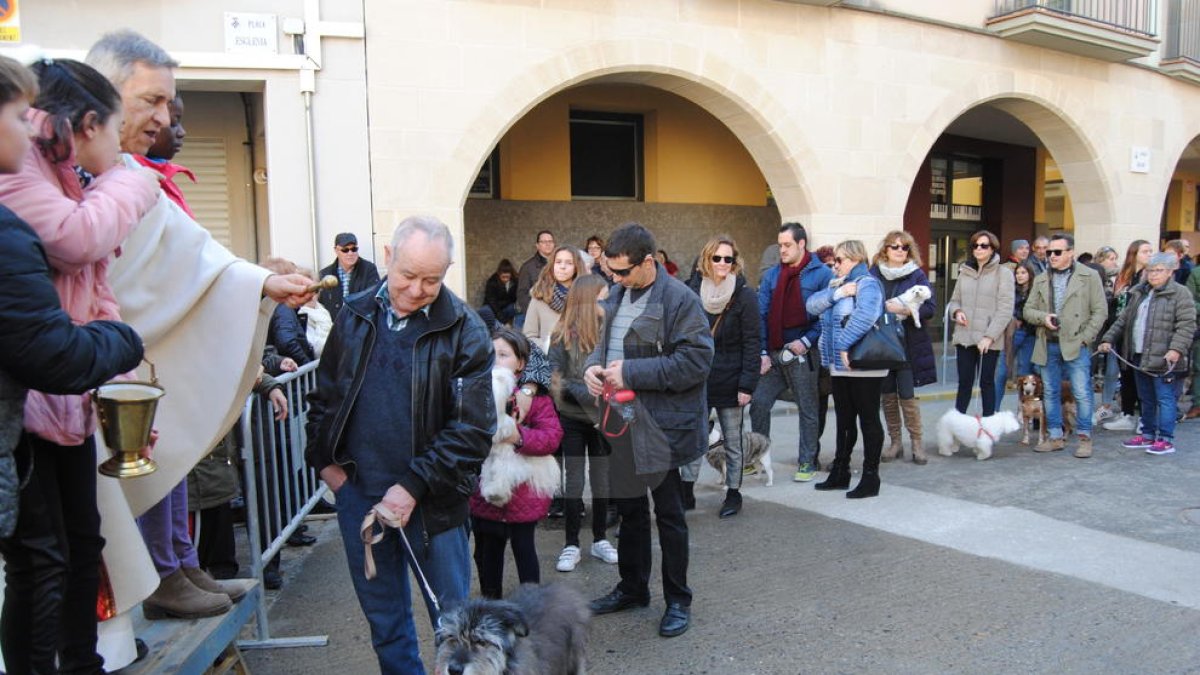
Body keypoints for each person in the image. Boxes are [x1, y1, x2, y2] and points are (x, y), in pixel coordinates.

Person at [83, 30, 314, 671]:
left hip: (108, 366)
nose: (163, 119)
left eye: (171, 104)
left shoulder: (133, 178)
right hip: (62, 382)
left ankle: (150, 596)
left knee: (142, 490)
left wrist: (260, 283)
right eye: (152, 100)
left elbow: (195, 258)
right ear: (101, 96)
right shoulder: (58, 176)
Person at [0, 54, 146, 675]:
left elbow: (92, 281)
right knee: (41, 561)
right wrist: (133, 179)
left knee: (79, 546)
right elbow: (77, 240)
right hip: (33, 402)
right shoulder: (19, 183)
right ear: (87, 124)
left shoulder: (58, 176)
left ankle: (81, 664)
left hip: (61, 402)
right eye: (13, 113)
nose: (25, 124)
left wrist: (115, 376)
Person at [305, 216, 493, 673]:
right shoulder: (355, 311)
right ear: (388, 257)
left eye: (432, 279)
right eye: (407, 275)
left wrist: (411, 486)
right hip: (360, 494)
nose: (416, 289)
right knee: (385, 624)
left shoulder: (465, 330)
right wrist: (324, 463)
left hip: (435, 506)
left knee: (454, 632)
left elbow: (472, 431)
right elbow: (325, 393)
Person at [129, 88, 248, 621]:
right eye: (167, 118)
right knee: (153, 458)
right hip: (138, 345)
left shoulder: (157, 187)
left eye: (176, 118)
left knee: (173, 459)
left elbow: (199, 262)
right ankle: (161, 570)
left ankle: (181, 559)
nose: (176, 130)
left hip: (159, 346)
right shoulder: (129, 186)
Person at [584, 222, 712, 639]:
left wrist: (631, 373)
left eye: (621, 272)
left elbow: (696, 362)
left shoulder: (681, 300)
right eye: (610, 271)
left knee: (670, 517)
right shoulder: (619, 293)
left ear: (649, 262)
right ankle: (633, 588)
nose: (614, 280)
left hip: (661, 429)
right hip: (621, 425)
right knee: (631, 513)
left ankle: (678, 600)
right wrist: (592, 369)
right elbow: (606, 347)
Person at [469, 328, 563, 599]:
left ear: (521, 363)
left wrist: (518, 436)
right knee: (488, 552)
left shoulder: (535, 399)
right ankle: (490, 602)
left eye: (504, 355)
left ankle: (531, 603)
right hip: (484, 491)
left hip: (523, 493)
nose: (496, 360)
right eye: (492, 354)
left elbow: (552, 437)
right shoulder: (476, 391)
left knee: (524, 550)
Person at [682, 235, 760, 517]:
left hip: (732, 379)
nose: (723, 263)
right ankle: (686, 490)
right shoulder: (691, 290)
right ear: (707, 259)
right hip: (698, 379)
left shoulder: (745, 295)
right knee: (693, 437)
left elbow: (753, 342)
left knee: (732, 439)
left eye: (729, 258)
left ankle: (733, 492)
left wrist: (747, 384)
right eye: (718, 258)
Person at [750, 223, 833, 482]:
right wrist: (763, 351)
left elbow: (826, 317)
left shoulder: (821, 275)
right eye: (780, 245)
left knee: (808, 408)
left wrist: (806, 341)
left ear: (801, 244)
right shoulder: (773, 275)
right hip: (774, 352)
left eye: (787, 245)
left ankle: (807, 461)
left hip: (803, 353)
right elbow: (761, 315)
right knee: (759, 403)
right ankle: (758, 458)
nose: (781, 250)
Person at [187, 367, 287, 581]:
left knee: (217, 513)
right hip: (201, 455)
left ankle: (216, 575)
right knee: (201, 526)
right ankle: (204, 576)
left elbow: (238, 363)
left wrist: (269, 384)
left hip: (219, 454)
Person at [548, 274, 618, 571]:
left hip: (604, 419)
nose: (608, 303)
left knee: (602, 481)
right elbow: (554, 377)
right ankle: (571, 544)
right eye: (603, 297)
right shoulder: (563, 332)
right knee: (573, 481)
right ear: (588, 300)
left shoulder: (612, 331)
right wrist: (590, 393)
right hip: (573, 417)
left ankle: (601, 539)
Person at [808, 240, 887, 498]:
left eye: (839, 260)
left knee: (868, 420)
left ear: (854, 258)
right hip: (839, 365)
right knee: (844, 420)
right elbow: (812, 305)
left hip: (863, 364)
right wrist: (838, 294)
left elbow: (866, 316)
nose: (835, 266)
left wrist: (843, 345)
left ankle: (870, 477)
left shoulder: (869, 283)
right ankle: (840, 470)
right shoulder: (839, 284)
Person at [1099, 252, 1195, 456]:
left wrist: (1176, 349)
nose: (1153, 275)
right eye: (1150, 270)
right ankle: (1148, 434)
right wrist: (1107, 339)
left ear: (1170, 272)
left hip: (1165, 358)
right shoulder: (1139, 292)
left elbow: (1186, 325)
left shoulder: (1181, 293)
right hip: (1139, 355)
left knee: (1165, 399)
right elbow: (1123, 320)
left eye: (1158, 270)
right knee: (1146, 399)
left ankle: (1166, 439)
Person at [1024, 233, 1107, 458]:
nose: (1051, 256)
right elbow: (1027, 310)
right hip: (1047, 343)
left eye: (1057, 252)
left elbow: (1100, 311)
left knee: (1081, 392)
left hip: (1075, 344)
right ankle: (1055, 436)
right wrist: (1043, 318)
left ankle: (1084, 438)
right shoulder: (1041, 278)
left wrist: (1085, 338)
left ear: (1070, 252)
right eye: (1049, 252)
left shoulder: (1088, 276)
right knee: (1050, 392)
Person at [869, 231, 936, 465]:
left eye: (904, 247)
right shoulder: (874, 272)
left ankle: (917, 443)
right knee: (887, 395)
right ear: (885, 249)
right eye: (894, 246)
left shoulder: (916, 274)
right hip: (880, 343)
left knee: (907, 394)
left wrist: (905, 310)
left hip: (907, 343)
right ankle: (895, 442)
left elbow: (931, 307)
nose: (899, 250)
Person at [945, 230, 1014, 419]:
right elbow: (954, 300)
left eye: (984, 245)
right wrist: (956, 312)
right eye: (975, 245)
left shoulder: (1003, 273)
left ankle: (988, 428)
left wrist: (989, 336)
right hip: (965, 335)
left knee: (986, 383)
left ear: (993, 248)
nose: (978, 249)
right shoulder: (965, 271)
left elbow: (1005, 309)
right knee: (964, 383)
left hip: (989, 339)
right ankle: (957, 426)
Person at [1105, 240, 1152, 431]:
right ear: (1134, 254)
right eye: (1145, 251)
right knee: (1126, 375)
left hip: (1141, 333)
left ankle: (1144, 418)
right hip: (1122, 332)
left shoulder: (1150, 276)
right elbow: (1116, 303)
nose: (1149, 254)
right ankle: (1127, 414)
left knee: (1141, 376)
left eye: (1150, 251)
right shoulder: (1124, 276)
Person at [523, 244, 586, 351]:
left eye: (569, 263)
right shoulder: (539, 294)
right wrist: (548, 346)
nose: (562, 266)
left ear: (576, 267)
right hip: (550, 362)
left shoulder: (586, 295)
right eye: (558, 262)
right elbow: (529, 335)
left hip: (579, 361)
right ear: (552, 265)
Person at [996, 260, 1039, 407]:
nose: (1020, 276)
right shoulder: (1011, 290)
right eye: (1017, 273)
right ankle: (993, 410)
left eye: (1023, 272)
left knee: (1024, 372)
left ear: (1030, 274)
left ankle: (1024, 410)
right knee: (1002, 372)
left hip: (1029, 334)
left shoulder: (1036, 290)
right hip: (1011, 334)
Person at [262, 257, 317, 365]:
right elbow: (286, 342)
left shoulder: (267, 305)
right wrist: (306, 364)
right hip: (289, 371)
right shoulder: (282, 306)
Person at [318, 232, 380, 318]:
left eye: (354, 249)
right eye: (345, 250)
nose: (350, 253)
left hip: (360, 324)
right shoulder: (325, 274)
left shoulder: (369, 269)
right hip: (334, 326)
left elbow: (374, 298)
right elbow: (319, 305)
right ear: (336, 250)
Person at [516, 229, 556, 323]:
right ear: (537, 246)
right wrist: (533, 315)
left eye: (550, 241)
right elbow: (522, 295)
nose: (548, 244)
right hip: (538, 316)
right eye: (544, 242)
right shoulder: (528, 267)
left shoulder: (560, 264)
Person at [482, 258, 518, 326]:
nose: (505, 279)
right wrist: (504, 321)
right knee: (485, 311)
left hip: (507, 308)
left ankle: (517, 331)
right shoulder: (492, 282)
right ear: (499, 274)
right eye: (503, 277)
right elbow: (492, 303)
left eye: (507, 277)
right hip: (494, 309)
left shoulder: (515, 281)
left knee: (519, 308)